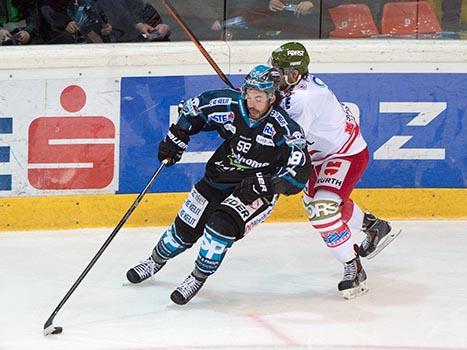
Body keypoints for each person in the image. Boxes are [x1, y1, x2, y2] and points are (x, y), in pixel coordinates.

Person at [126, 64, 311, 305]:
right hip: (219, 176)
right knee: (183, 230)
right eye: (249, 95)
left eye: (259, 97)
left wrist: (266, 183)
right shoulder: (228, 104)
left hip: (253, 189)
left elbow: (298, 172)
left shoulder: (284, 128)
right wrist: (177, 137)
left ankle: (197, 276)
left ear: (272, 97)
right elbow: (193, 109)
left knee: (219, 228)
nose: (252, 103)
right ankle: (154, 261)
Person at [269, 42, 399, 299]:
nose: (275, 74)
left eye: (281, 70)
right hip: (322, 154)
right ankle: (372, 226)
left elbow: (284, 137)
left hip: (344, 154)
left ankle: (353, 266)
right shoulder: (292, 87)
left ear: (295, 74)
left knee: (323, 210)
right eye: (274, 68)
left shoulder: (304, 100)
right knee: (316, 206)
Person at [39, 0, 112, 44]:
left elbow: (92, 33)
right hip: (63, 55)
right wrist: (65, 25)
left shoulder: (90, 4)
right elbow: (45, 33)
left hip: (94, 54)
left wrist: (103, 31)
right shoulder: (46, 6)